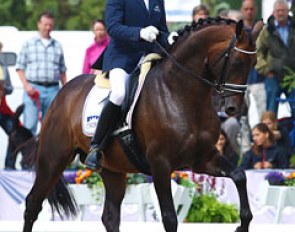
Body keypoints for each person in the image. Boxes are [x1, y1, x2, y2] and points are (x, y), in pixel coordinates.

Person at [85, 0, 170, 171]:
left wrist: (169, 37)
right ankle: (96, 146)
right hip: (122, 56)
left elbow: (161, 29)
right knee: (119, 94)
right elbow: (113, 28)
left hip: (150, 55)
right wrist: (139, 33)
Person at [16, 11, 67, 135]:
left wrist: (65, 90)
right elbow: (19, 67)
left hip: (53, 90)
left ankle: (44, 154)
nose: (48, 28)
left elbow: (62, 70)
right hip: (33, 89)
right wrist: (26, 85)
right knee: (29, 126)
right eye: (45, 25)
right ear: (39, 24)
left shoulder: (57, 46)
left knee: (50, 127)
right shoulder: (28, 44)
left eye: (50, 25)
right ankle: (29, 154)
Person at [255, 0, 295, 117]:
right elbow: (257, 52)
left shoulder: (293, 28)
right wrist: (266, 70)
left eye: (283, 10)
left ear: (288, 12)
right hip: (273, 76)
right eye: (278, 11)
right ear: (273, 12)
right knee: (271, 111)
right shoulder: (267, 31)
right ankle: (269, 134)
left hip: (292, 77)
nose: (280, 13)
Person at [0, 41, 16, 169]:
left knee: (14, 132)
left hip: (2, 109)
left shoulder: (2, 66)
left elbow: (11, 88)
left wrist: (5, 88)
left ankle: (9, 166)